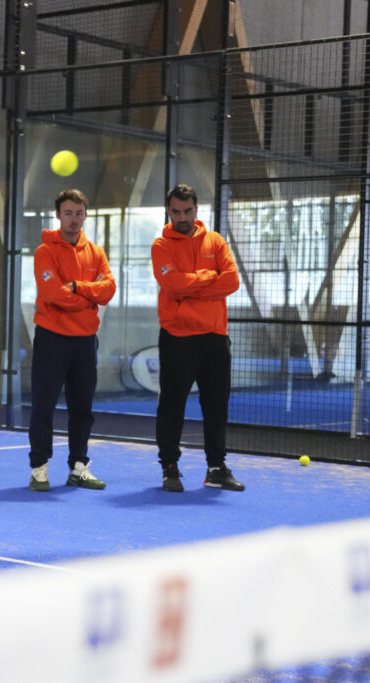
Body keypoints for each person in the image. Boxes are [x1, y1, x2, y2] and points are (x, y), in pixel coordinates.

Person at [151, 184, 244, 493]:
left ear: (196, 210)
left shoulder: (215, 241)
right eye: (176, 211)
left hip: (215, 338)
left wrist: (190, 285)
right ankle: (169, 467)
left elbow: (231, 281)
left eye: (187, 211)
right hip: (177, 338)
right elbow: (173, 286)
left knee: (216, 405)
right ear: (169, 211)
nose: (182, 217)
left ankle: (216, 468)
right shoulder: (161, 245)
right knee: (172, 405)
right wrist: (208, 277)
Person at [28, 189, 116, 491]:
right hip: (52, 339)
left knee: (83, 407)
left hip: (85, 341)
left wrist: (78, 287)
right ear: (58, 216)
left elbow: (109, 289)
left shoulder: (96, 252)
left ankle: (79, 468)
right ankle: (39, 468)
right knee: (44, 405)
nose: (74, 219)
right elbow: (53, 295)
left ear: (85, 215)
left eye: (79, 213)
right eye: (68, 213)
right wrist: (89, 298)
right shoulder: (45, 252)